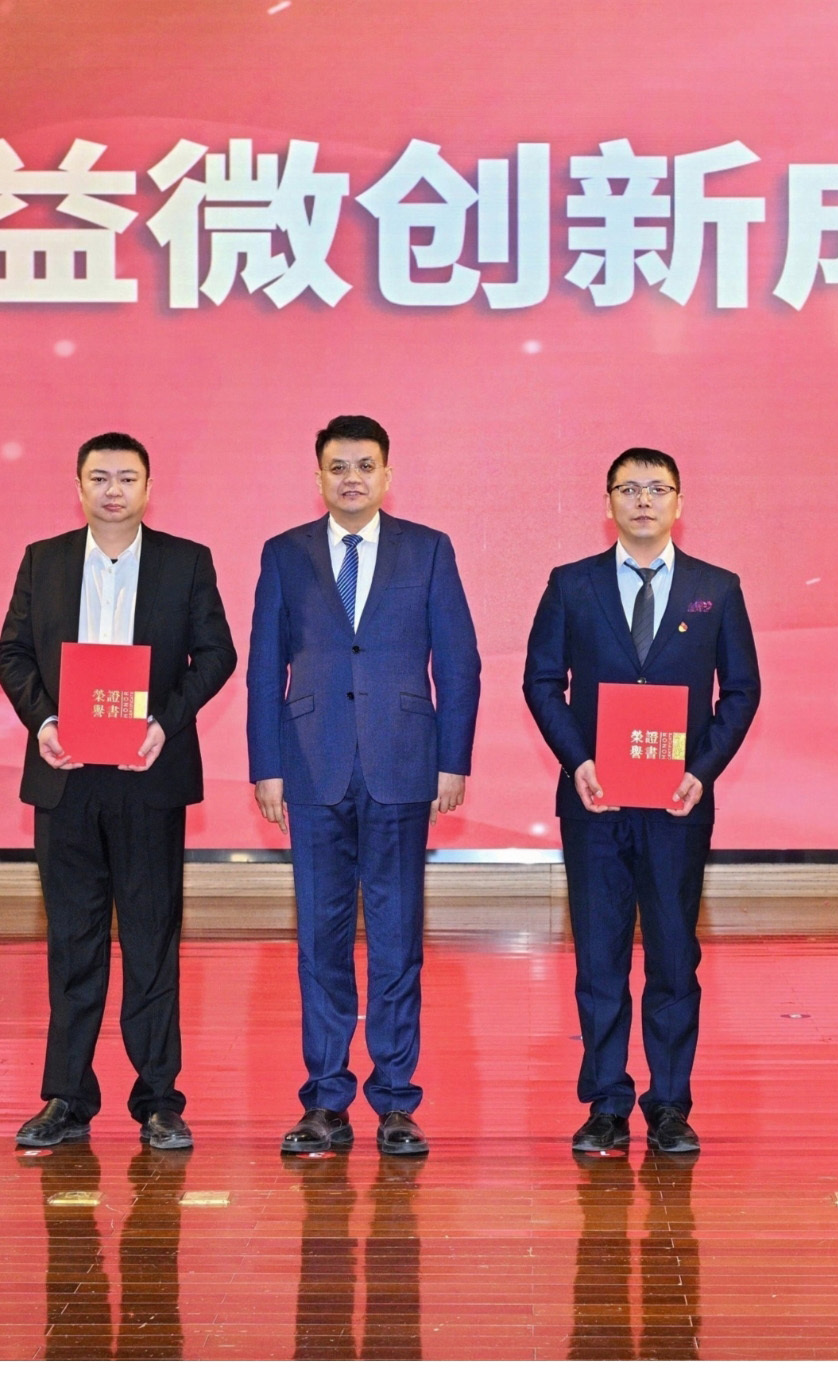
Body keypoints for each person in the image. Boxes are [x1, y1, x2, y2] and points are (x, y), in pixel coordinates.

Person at [0, 437, 232, 1150]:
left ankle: (158, 1100)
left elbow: (217, 654)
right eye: (100, 477)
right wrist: (45, 722)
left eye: (127, 478)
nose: (113, 490)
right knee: (73, 943)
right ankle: (67, 1097)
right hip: (66, 777)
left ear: (149, 488)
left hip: (148, 777)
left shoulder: (186, 561)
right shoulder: (45, 560)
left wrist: (164, 723)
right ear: (79, 486)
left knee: (151, 941)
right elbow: (11, 652)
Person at [245, 415, 476, 1159]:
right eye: (338, 467)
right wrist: (266, 765)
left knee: (397, 939)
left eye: (365, 466)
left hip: (402, 763)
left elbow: (460, 662)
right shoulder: (285, 553)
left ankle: (397, 1100)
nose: (352, 478)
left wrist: (453, 759)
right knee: (321, 940)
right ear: (318, 476)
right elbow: (264, 665)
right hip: (311, 766)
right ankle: (325, 1099)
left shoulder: (428, 549)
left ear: (387, 475)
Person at [529, 447, 757, 1158]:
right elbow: (542, 681)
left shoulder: (717, 588)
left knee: (672, 958)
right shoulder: (571, 584)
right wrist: (579, 761)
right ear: (608, 504)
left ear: (679, 503)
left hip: (676, 807)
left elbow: (741, 691)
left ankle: (669, 1105)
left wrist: (703, 770)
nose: (643, 501)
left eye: (658, 489)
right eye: (628, 489)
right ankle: (605, 1104)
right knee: (599, 960)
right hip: (594, 803)